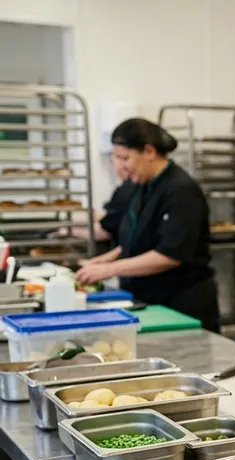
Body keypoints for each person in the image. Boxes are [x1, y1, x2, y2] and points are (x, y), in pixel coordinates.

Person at [77, 119, 220, 331]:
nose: (121, 166)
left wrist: (109, 269)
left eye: (125, 158)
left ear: (149, 152)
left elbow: (169, 255)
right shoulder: (142, 186)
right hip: (150, 300)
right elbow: (139, 240)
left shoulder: (180, 191)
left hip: (181, 304)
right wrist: (101, 261)